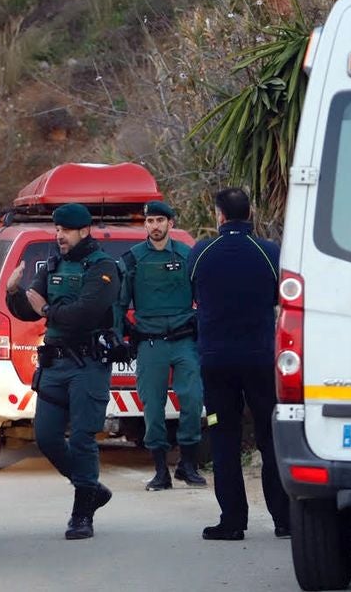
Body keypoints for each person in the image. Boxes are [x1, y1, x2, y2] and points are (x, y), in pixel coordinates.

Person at [6, 202, 120, 540]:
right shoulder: (54, 264)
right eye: (56, 230)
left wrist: (46, 309)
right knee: (47, 437)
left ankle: (82, 514)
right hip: (55, 365)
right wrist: (14, 292)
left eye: (65, 231)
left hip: (87, 365)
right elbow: (29, 310)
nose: (59, 236)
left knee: (83, 439)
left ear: (84, 231)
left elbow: (84, 313)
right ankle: (91, 489)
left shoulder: (103, 268)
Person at [186, 187, 290, 541]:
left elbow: (192, 295)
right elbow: (282, 297)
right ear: (250, 215)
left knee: (223, 438)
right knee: (269, 437)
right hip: (260, 360)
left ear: (219, 215)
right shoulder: (269, 251)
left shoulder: (202, 252)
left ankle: (232, 520)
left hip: (217, 363)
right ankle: (283, 518)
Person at [118, 199, 206, 491]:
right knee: (152, 408)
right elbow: (119, 303)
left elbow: (204, 298)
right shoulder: (133, 259)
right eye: (149, 221)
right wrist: (122, 334)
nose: (154, 226)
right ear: (145, 224)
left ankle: (188, 465)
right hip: (150, 343)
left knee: (192, 401)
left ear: (171, 223)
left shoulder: (188, 255)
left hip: (184, 342)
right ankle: (160, 471)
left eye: (160, 220)